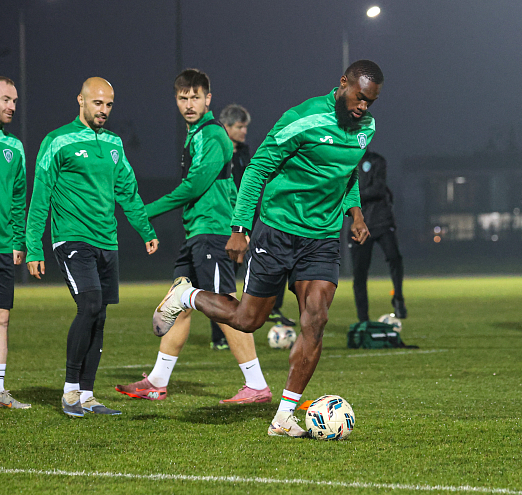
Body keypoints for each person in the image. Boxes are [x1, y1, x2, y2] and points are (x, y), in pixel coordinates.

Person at [153, 60, 384, 437]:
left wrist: (355, 213)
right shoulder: (301, 119)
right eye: (359, 98)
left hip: (322, 238)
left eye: (370, 102)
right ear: (343, 83)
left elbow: (348, 172)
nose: (363, 107)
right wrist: (239, 228)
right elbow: (258, 168)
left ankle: (283, 418)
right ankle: (186, 295)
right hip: (278, 231)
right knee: (248, 320)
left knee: (316, 319)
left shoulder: (366, 128)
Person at [115, 70, 272, 405]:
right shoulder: (196, 135)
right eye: (183, 98)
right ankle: (157, 381)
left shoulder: (213, 135)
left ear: (208, 99)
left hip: (213, 232)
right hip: (197, 232)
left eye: (195, 97)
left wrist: (145, 211)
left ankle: (256, 385)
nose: (189, 104)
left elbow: (194, 186)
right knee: (180, 306)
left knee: (224, 307)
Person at [26, 77, 159, 417]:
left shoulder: (114, 143)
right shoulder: (57, 141)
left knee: (99, 316)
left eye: (109, 104)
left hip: (107, 240)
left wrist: (145, 230)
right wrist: (34, 246)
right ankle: (70, 392)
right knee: (89, 304)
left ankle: (87, 395)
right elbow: (41, 194)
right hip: (72, 238)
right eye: (98, 103)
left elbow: (127, 190)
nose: (104, 110)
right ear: (81, 101)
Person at [220, 103, 296, 331]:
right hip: (228, 220)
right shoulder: (217, 152)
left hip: (251, 218)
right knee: (228, 273)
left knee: (277, 259)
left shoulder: (244, 152)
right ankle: (220, 331)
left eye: (245, 127)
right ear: (226, 127)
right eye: (239, 127)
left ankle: (272, 308)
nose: (244, 131)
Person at [0, 76, 29, 409]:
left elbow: (18, 197)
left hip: (1, 246)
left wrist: (17, 240)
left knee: (0, 317)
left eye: (14, 100)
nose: (12, 106)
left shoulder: (14, 147)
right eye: (5, 99)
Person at [350, 150, 406, 322]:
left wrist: (352, 196)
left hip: (381, 221)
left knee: (394, 257)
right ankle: (363, 320)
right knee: (359, 273)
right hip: (359, 225)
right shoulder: (344, 163)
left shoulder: (376, 161)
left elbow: (378, 189)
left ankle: (398, 298)